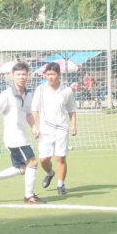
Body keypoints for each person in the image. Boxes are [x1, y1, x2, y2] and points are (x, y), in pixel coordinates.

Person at [0, 62, 45, 204]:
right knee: (32, 162)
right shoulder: (7, 94)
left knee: (23, 168)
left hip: (21, 135)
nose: (21, 77)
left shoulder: (28, 95)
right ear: (13, 76)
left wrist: (34, 127)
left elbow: (29, 113)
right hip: (14, 137)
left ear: (28, 76)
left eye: (24, 74)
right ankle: (29, 196)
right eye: (18, 74)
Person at [31, 62, 77, 195]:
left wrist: (73, 125)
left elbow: (72, 109)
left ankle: (60, 184)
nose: (51, 77)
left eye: (53, 74)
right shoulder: (40, 89)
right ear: (45, 75)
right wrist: (34, 126)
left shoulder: (66, 90)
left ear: (59, 75)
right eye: (48, 74)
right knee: (44, 159)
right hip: (45, 129)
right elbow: (35, 109)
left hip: (62, 128)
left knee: (60, 158)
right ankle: (50, 173)